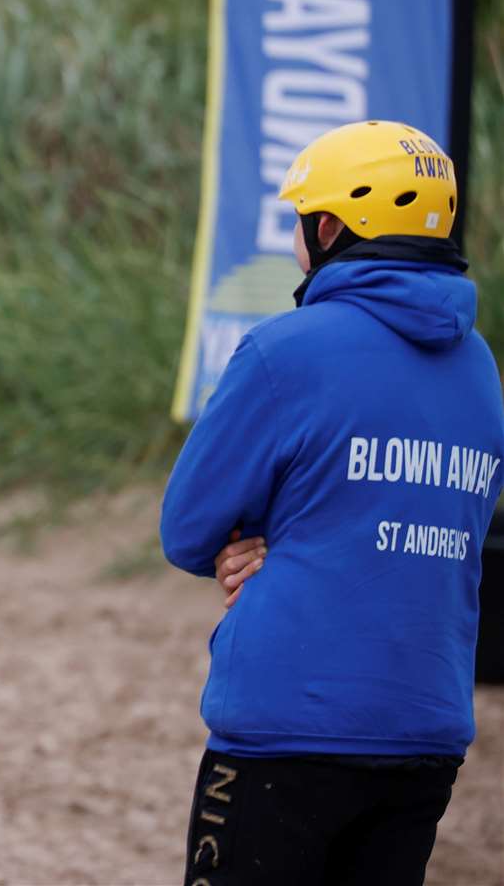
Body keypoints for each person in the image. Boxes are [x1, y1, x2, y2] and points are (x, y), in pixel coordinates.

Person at [161, 120, 503, 886]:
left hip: (288, 724)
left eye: (298, 222)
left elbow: (187, 528)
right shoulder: (482, 370)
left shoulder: (287, 350)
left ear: (328, 227)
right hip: (426, 729)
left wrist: (255, 543)